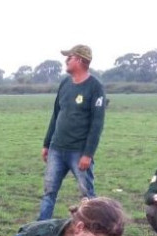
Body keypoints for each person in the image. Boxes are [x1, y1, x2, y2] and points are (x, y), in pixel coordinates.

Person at [37, 44, 106, 221]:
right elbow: (55, 114)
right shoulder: (65, 83)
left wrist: (88, 154)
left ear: (81, 60)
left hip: (79, 151)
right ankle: (41, 227)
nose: (66, 61)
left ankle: (95, 227)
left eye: (70, 57)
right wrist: (47, 144)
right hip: (56, 149)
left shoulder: (95, 87)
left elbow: (97, 123)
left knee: (87, 194)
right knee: (49, 192)